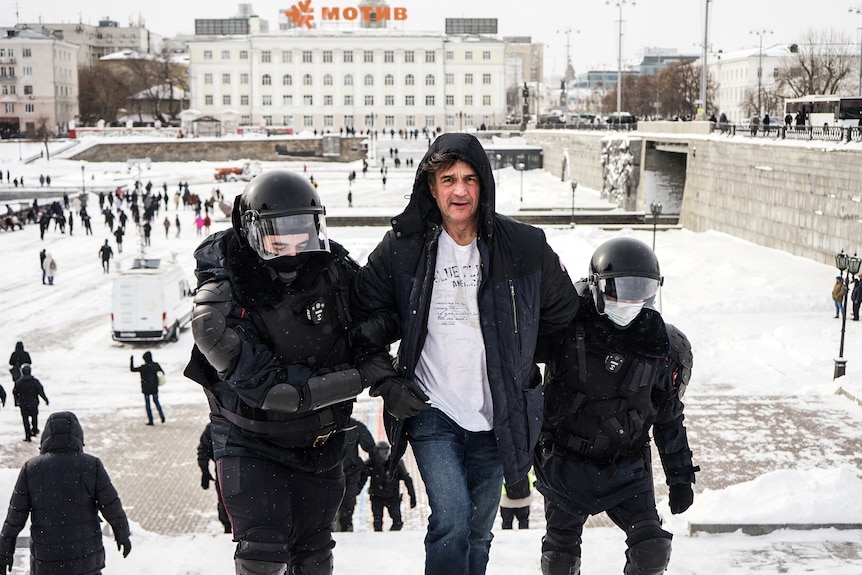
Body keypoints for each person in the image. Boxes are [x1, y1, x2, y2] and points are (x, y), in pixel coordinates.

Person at [350, 132, 578, 575]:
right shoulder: (404, 246)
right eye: (448, 178)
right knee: (452, 519)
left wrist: (522, 360)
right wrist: (388, 381)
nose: (459, 190)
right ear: (430, 187)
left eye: (470, 179)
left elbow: (564, 316)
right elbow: (361, 320)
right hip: (432, 408)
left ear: (484, 185)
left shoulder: (524, 246)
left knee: (479, 529)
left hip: (500, 413)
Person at [183, 170, 402, 575]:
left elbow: (375, 319)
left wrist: (382, 355)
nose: (295, 247)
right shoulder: (218, 304)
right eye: (279, 236)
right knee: (262, 555)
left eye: (304, 232)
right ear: (250, 232)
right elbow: (275, 393)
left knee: (314, 555)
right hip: (251, 442)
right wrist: (363, 375)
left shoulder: (333, 270)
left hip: (321, 442)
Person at [534, 237, 699, 575]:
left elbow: (669, 418)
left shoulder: (659, 346)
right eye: (620, 288)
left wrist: (680, 477)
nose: (630, 299)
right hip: (565, 461)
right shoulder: (564, 327)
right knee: (560, 559)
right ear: (597, 287)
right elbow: (515, 367)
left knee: (652, 549)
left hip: (625, 466)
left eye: (641, 288)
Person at [0, 411, 132, 574]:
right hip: (85, 559)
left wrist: (5, 550)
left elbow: (15, 517)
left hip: (47, 560)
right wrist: (122, 533)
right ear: (78, 436)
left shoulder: (32, 468)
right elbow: (111, 505)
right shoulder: (91, 465)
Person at [335, 417, 377, 532]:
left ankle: (346, 525)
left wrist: (369, 468)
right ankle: (330, 527)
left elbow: (372, 448)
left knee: (349, 502)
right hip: (330, 472)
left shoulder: (355, 426)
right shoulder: (327, 424)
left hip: (351, 473)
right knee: (330, 502)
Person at [365, 441, 416, 532]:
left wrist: (412, 496)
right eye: (381, 452)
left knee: (397, 522)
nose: (383, 455)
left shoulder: (397, 463)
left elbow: (407, 479)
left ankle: (391, 540)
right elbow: (361, 475)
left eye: (385, 452)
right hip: (377, 496)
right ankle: (379, 542)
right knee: (377, 522)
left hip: (393, 497)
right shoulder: (372, 462)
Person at [197, 423, 232, 534]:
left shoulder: (215, 426)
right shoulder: (217, 426)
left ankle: (228, 528)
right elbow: (203, 450)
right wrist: (205, 472)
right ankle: (228, 528)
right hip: (228, 470)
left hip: (224, 470)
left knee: (225, 500)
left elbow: (203, 450)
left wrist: (205, 471)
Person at [12, 365, 49, 442]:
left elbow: (15, 393)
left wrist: (16, 402)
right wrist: (45, 399)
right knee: (34, 417)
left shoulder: (18, 382)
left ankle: (28, 436)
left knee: (25, 420)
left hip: (23, 404)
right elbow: (40, 391)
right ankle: (35, 430)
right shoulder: (35, 381)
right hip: (33, 403)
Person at [130, 351, 165, 425]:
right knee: (156, 401)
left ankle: (151, 420)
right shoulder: (156, 365)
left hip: (146, 388)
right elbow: (162, 373)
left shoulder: (143, 367)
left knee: (148, 405)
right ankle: (162, 416)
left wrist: (131, 360)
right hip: (154, 387)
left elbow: (132, 369)